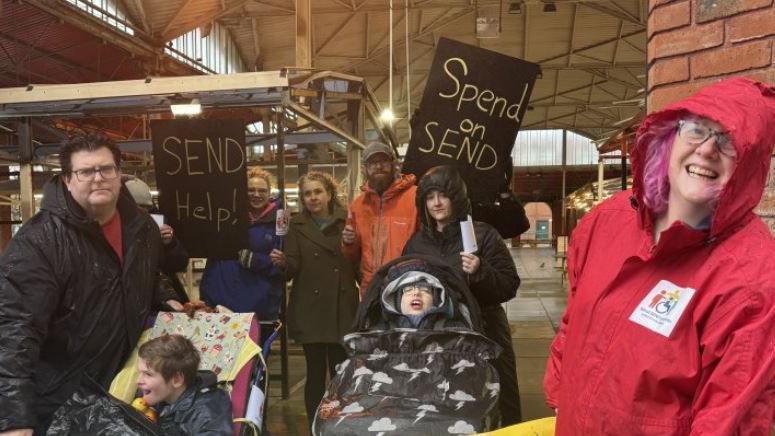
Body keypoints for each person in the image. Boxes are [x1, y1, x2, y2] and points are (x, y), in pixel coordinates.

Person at [543, 78, 775, 434]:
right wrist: (560, 394)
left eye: (727, 141)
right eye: (697, 130)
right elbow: (573, 322)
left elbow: (729, 421)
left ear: (748, 163)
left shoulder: (751, 277)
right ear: (671, 137)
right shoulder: (607, 221)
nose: (707, 149)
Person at [0, 132, 182, 435]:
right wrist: (14, 419)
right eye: (85, 171)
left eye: (106, 169)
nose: (98, 178)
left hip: (119, 389)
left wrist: (164, 299)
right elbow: (13, 331)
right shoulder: (40, 240)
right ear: (68, 179)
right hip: (58, 401)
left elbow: (139, 277)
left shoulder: (142, 229)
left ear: (119, 173)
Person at [402, 165, 522, 425]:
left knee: (498, 398)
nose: (436, 203)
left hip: (486, 332)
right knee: (447, 405)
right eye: (430, 197)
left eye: (443, 196)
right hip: (438, 338)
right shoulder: (416, 243)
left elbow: (509, 285)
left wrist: (481, 271)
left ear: (456, 198)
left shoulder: (483, 235)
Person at [269, 171, 359, 428]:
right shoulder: (295, 225)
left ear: (329, 193)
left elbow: (358, 262)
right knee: (315, 374)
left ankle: (341, 427)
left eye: (318, 191)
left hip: (342, 307)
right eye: (307, 193)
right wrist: (283, 263)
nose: (313, 197)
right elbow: (293, 267)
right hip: (311, 309)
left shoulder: (349, 220)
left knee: (341, 374)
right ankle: (315, 427)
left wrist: (352, 245)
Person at [199, 168, 283, 338]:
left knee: (252, 353)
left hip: (257, 306)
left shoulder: (279, 224)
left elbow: (283, 263)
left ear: (269, 193)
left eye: (262, 190)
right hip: (220, 303)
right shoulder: (224, 217)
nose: (256, 194)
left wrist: (258, 261)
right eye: (251, 190)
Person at [341, 141, 419, 296]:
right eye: (372, 163)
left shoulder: (415, 197)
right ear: (364, 169)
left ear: (394, 164)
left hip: (407, 288)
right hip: (371, 290)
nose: (378, 166)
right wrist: (349, 243)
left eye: (383, 161)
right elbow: (352, 256)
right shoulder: (358, 205)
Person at [137, 335, 232, 436]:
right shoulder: (160, 395)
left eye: (148, 374)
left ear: (177, 379)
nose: (138, 381)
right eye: (140, 373)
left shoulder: (207, 413)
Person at [126, 176, 190, 303]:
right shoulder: (114, 230)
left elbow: (180, 263)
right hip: (134, 298)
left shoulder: (158, 223)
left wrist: (170, 244)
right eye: (138, 206)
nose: (143, 211)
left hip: (160, 296)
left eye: (146, 207)